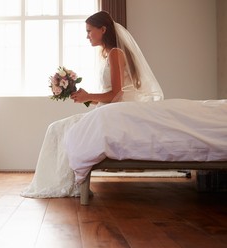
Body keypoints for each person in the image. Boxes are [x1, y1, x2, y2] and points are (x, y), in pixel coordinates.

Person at [21, 11, 163, 198]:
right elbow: (110, 95)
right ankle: (63, 182)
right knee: (56, 128)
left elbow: (116, 93)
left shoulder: (115, 53)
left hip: (113, 113)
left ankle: (64, 183)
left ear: (103, 29)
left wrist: (89, 96)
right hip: (108, 110)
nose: (87, 35)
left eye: (89, 31)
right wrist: (85, 97)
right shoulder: (108, 54)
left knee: (56, 129)